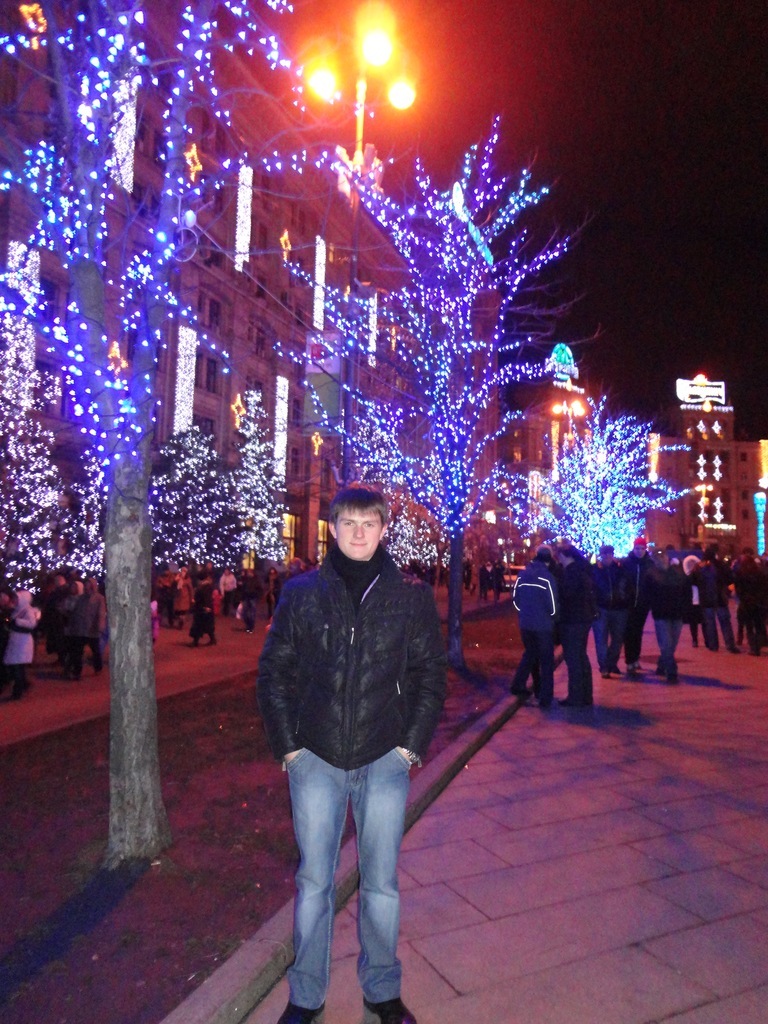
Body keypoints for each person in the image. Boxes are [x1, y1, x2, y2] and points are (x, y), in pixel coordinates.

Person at [257, 486, 446, 1024]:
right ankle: (306, 996)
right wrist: (289, 747)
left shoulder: (409, 596)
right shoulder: (302, 594)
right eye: (349, 523)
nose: (359, 533)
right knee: (314, 881)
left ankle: (381, 991)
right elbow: (274, 672)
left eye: (369, 523)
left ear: (383, 530)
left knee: (381, 882)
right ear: (333, 529)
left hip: (384, 756)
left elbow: (430, 675)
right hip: (315, 757)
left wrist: (410, 746)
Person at [509, 544, 559, 708]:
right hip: (543, 625)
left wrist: (523, 612)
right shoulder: (547, 578)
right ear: (548, 560)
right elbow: (553, 606)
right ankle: (545, 696)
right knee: (546, 661)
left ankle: (518, 684)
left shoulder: (523, 575)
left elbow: (515, 598)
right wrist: (553, 617)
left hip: (525, 623)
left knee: (530, 654)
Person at [557, 544, 597, 707]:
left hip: (572, 619)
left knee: (573, 658)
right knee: (581, 656)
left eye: (559, 556)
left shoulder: (571, 573)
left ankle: (576, 696)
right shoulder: (582, 570)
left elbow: (567, 595)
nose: (558, 559)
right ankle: (586, 694)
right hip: (583, 618)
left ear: (565, 556)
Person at [647, 548, 691, 682]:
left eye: (663, 556)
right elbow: (647, 594)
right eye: (658, 557)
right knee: (666, 644)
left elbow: (686, 589)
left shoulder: (676, 572)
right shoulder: (651, 574)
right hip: (661, 614)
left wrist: (686, 608)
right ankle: (672, 671)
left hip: (677, 613)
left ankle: (662, 664)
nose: (661, 559)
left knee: (672, 644)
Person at [591, 544, 630, 678]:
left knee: (618, 639)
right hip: (601, 608)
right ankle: (604, 666)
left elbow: (627, 585)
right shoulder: (594, 570)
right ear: (601, 555)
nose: (608, 556)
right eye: (605, 554)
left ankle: (612, 663)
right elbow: (591, 589)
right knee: (600, 639)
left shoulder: (620, 569)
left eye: (610, 554)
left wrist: (625, 598)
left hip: (619, 608)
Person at [692, 546, 739, 653]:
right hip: (720, 599)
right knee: (725, 622)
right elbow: (731, 579)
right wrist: (727, 592)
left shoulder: (700, 567)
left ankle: (713, 645)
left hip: (706, 600)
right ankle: (730, 645)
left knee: (710, 623)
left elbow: (693, 581)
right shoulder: (721, 566)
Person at [623, 537, 654, 675]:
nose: (639, 551)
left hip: (643, 604)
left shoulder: (649, 564)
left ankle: (635, 658)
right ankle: (630, 660)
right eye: (637, 548)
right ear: (633, 548)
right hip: (628, 604)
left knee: (638, 632)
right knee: (629, 632)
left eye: (642, 548)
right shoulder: (627, 563)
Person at [4, 589, 41, 700]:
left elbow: (32, 624)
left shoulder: (28, 611)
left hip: (22, 642)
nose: (15, 600)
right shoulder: (17, 609)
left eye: (17, 598)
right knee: (16, 666)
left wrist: (17, 622)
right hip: (16, 640)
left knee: (17, 666)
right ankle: (23, 684)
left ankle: (18, 691)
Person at [67, 577, 107, 680]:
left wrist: (100, 625)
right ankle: (77, 671)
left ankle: (98, 667)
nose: (86, 586)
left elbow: (101, 613)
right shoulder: (81, 598)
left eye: (88, 584)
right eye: (86, 584)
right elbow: (76, 611)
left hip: (92, 628)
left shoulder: (99, 598)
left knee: (95, 650)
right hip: (80, 628)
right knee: (78, 651)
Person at [189, 571, 216, 647]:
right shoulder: (205, 585)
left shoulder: (206, 586)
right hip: (201, 607)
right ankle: (212, 639)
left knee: (199, 624)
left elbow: (207, 597)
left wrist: (207, 606)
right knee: (206, 625)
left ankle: (196, 641)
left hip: (203, 607)